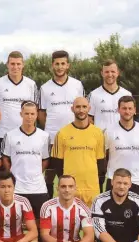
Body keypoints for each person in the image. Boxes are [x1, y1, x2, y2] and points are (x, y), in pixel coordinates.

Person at [38, 50, 85, 198]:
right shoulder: (45, 88)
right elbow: (41, 113)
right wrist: (51, 129)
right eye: (57, 64)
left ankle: (74, 208)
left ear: (68, 65)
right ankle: (48, 206)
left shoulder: (77, 85)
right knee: (49, 176)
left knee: (72, 174)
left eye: (62, 63)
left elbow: (82, 107)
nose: (59, 67)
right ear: (52, 65)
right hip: (52, 139)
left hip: (74, 138)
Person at [38, 175, 98, 242]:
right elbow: (44, 235)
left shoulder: (82, 207)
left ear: (75, 188)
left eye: (70, 186)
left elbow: (90, 235)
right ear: (57, 188)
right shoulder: (47, 206)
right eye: (63, 186)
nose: (67, 190)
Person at [51, 97, 105, 206]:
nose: (81, 110)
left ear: (89, 108)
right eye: (78, 107)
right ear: (72, 109)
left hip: (91, 189)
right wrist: (67, 184)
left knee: (90, 222)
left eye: (84, 107)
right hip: (70, 190)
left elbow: (101, 162)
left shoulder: (98, 133)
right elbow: (57, 163)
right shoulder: (62, 133)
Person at [1, 101, 50, 220]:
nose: (29, 117)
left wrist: (37, 172)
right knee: (15, 224)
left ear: (37, 115)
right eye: (26, 113)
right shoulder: (10, 135)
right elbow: (5, 158)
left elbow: (45, 159)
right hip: (17, 188)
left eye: (32, 114)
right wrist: (12, 174)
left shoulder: (44, 136)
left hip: (38, 188)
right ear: (21, 114)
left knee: (39, 223)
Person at [103, 96, 139, 205]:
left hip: (137, 180)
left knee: (138, 217)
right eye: (124, 108)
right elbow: (104, 155)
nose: (127, 111)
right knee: (113, 218)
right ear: (118, 110)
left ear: (135, 110)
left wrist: (137, 168)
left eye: (130, 108)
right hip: (114, 180)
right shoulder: (109, 131)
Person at [0, 51, 37, 147]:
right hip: (3, 134)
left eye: (18, 64)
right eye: (12, 64)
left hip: (25, 134)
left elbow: (35, 110)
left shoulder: (31, 84)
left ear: (23, 65)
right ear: (7, 65)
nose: (15, 67)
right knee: (4, 162)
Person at [87, 59, 132, 131]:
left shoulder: (127, 94)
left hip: (122, 139)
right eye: (107, 72)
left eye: (113, 71)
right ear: (102, 73)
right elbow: (89, 120)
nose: (110, 74)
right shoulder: (93, 95)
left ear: (118, 73)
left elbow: (130, 118)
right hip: (101, 139)